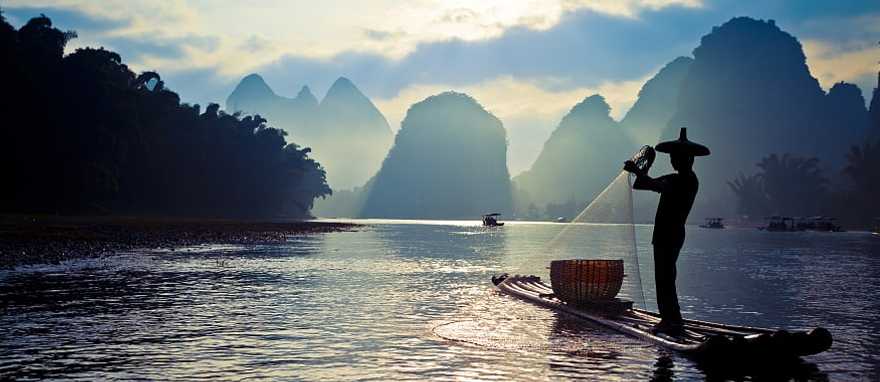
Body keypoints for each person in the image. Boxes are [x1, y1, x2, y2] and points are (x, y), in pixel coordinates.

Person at [623, 127, 710, 335]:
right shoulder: (673, 178)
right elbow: (640, 185)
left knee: (666, 278)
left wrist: (638, 170)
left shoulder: (687, 181)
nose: (674, 161)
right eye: (672, 157)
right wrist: (645, 166)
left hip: (671, 234)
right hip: (663, 234)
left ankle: (671, 320)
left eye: (677, 157)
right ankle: (671, 319)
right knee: (663, 277)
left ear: (689, 159)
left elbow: (657, 186)